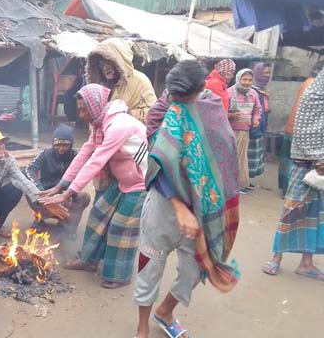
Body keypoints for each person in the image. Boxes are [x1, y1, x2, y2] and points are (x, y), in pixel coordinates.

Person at [134, 61, 241, 338]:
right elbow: (157, 166)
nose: (178, 104)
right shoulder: (160, 112)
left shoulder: (212, 108)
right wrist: (180, 206)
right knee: (150, 265)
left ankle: (166, 311)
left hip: (203, 209)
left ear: (201, 88)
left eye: (184, 99)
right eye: (174, 98)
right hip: (164, 207)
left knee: (196, 270)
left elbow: (223, 152)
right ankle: (142, 326)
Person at [39, 84, 148, 289]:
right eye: (79, 109)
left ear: (96, 106)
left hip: (140, 182)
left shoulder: (119, 125)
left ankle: (119, 275)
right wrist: (60, 186)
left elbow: (96, 161)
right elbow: (84, 154)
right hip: (123, 179)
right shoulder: (100, 125)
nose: (81, 115)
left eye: (83, 109)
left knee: (120, 227)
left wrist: (68, 194)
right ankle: (89, 260)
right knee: (98, 214)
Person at [262, 68, 324, 281]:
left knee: (317, 215)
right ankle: (276, 257)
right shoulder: (312, 94)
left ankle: (306, 263)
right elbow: (305, 129)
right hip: (306, 162)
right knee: (292, 209)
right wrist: (319, 157)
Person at [0, 127, 68, 241]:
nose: (0, 146)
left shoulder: (8, 160)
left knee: (15, 189)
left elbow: (22, 181)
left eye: (1, 142)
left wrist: (44, 201)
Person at [25, 124, 91, 238]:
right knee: (30, 191)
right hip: (46, 191)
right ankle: (39, 219)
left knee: (84, 196)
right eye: (58, 145)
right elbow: (29, 169)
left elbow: (81, 176)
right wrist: (40, 191)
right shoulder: (45, 153)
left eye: (65, 145)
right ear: (53, 144)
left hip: (66, 193)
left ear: (71, 144)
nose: (61, 149)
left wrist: (67, 194)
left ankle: (69, 226)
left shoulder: (76, 156)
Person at [278, 61, 324, 196]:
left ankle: (286, 190)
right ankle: (287, 191)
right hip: (303, 136)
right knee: (296, 171)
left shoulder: (310, 83)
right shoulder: (314, 86)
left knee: (289, 165)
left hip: (296, 131)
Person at [85, 38, 157, 124]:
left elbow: (153, 114)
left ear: (119, 60)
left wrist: (126, 114)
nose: (105, 68)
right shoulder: (101, 85)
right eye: (101, 64)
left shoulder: (140, 80)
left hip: (130, 133)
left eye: (108, 62)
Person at [227, 68, 262, 194]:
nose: (247, 82)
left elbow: (258, 109)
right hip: (230, 131)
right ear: (238, 79)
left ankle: (240, 183)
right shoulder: (229, 92)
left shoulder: (253, 93)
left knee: (241, 158)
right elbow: (220, 111)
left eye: (250, 80)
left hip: (244, 131)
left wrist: (256, 119)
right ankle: (232, 184)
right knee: (232, 158)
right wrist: (230, 116)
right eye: (244, 79)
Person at [247, 63, 271, 186]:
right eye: (265, 73)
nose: (268, 76)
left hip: (259, 129)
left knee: (253, 159)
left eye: (269, 73)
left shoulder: (263, 91)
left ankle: (246, 181)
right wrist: (253, 129)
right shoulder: (251, 90)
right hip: (251, 129)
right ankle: (241, 183)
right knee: (246, 158)